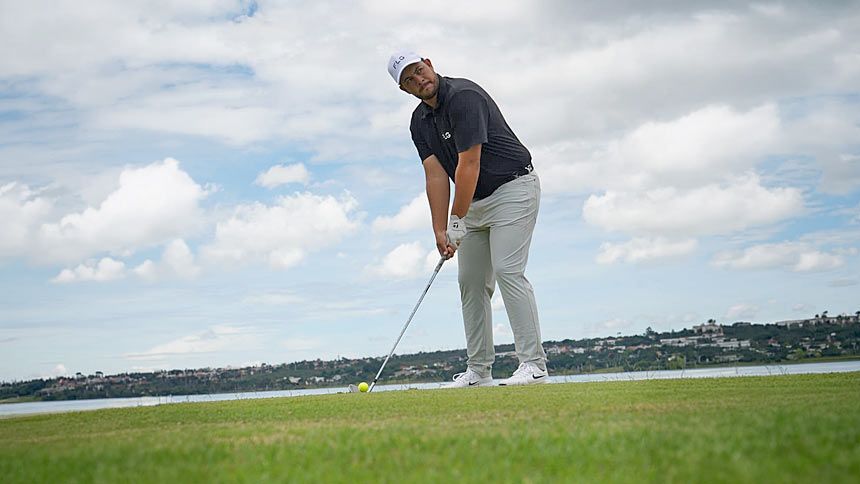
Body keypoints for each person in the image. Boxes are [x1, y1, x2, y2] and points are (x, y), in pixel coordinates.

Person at [387, 51, 548, 387]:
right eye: (410, 80)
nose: (420, 80)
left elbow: (468, 165)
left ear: (429, 64)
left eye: (419, 71)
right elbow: (435, 176)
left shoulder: (464, 97)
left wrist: (456, 223)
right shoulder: (419, 122)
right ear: (405, 90)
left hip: (512, 189)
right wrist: (440, 230)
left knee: (507, 270)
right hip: (472, 201)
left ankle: (533, 366)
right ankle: (479, 371)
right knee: (471, 282)